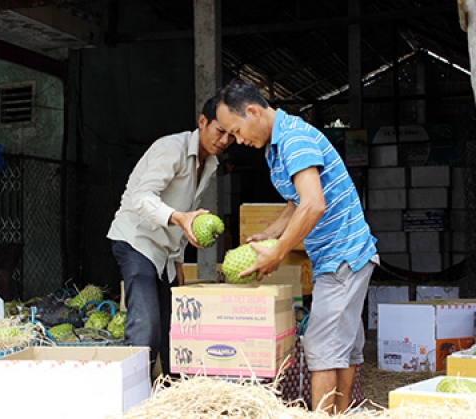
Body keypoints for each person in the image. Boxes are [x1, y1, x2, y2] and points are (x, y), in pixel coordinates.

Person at [215, 79, 378, 414]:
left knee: (320, 347)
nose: (238, 140)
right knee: (342, 347)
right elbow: (295, 202)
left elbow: (314, 204)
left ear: (252, 111)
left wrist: (279, 252)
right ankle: (340, 413)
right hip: (341, 256)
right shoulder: (280, 143)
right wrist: (271, 236)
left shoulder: (294, 140)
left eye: (236, 130)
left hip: (342, 256)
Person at [107, 96, 235, 377]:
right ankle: (132, 397)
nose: (225, 140)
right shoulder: (171, 149)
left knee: (171, 326)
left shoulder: (209, 163)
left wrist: (177, 259)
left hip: (163, 252)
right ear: (202, 122)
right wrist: (180, 218)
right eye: (219, 130)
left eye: (231, 135)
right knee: (146, 324)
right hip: (136, 240)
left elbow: (184, 210)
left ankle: (170, 393)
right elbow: (141, 198)